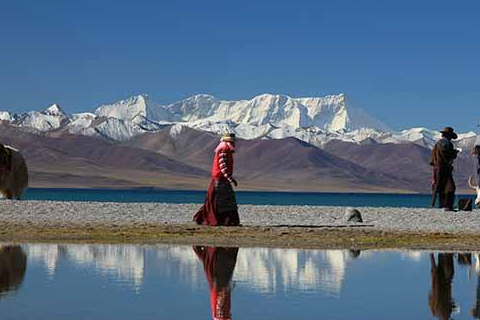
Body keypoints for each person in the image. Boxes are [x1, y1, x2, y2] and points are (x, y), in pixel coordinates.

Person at [194, 133, 240, 226]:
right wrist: (230, 178)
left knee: (218, 200)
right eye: (232, 142)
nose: (233, 144)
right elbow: (223, 166)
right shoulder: (224, 150)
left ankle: (223, 220)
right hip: (220, 179)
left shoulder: (225, 150)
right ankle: (221, 220)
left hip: (221, 178)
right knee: (221, 200)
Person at [193, 246, 239, 320]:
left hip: (219, 286)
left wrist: (225, 290)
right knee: (209, 261)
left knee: (216, 261)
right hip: (216, 287)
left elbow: (220, 305)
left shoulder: (221, 318)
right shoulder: (219, 317)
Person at [429, 127, 459, 211]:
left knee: (440, 187)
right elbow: (449, 155)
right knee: (450, 187)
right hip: (445, 168)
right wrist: (454, 153)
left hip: (437, 168)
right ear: (449, 135)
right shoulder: (449, 144)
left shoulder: (437, 144)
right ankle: (447, 206)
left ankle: (439, 205)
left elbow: (431, 159)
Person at [428, 253, 456, 320]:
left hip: (446, 277)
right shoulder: (434, 311)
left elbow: (448, 299)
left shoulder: (445, 314)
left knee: (445, 254)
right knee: (442, 255)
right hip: (442, 277)